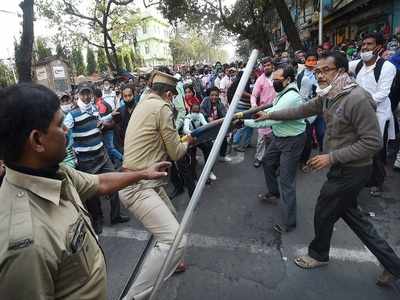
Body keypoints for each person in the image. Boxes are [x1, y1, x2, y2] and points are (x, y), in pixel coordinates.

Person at [0, 83, 171, 300]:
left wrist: (144, 173)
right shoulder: (26, 245)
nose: (66, 131)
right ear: (37, 140)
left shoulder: (55, 172)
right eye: (60, 125)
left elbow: (100, 182)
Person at [255, 52, 400, 295]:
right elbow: (300, 110)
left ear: (342, 71)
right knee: (354, 218)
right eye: (317, 71)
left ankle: (319, 254)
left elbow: (373, 142)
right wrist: (269, 115)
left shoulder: (356, 99)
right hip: (342, 169)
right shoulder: (328, 96)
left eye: (325, 70)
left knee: (324, 211)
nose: (319, 75)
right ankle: (393, 265)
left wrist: (330, 157)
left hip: (353, 171)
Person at [119, 71, 195, 299]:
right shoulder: (162, 107)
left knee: (171, 222)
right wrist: (187, 141)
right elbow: (175, 152)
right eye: (173, 96)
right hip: (138, 186)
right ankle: (134, 297)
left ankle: (172, 261)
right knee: (174, 239)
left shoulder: (144, 103)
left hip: (143, 180)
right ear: (169, 94)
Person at [244, 65, 306, 233]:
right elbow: (272, 111)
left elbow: (273, 119)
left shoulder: (291, 97)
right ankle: (273, 192)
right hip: (279, 137)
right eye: (273, 80)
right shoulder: (283, 93)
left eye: (277, 80)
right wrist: (256, 114)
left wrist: (244, 123)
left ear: (288, 80)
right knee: (268, 162)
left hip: (291, 141)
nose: (274, 83)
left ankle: (289, 222)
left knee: (287, 181)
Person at [64, 83, 129, 234]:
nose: (86, 97)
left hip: (102, 154)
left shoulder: (93, 109)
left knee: (114, 183)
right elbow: (65, 134)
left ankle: (115, 215)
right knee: (92, 193)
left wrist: (107, 118)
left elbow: (98, 121)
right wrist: (70, 153)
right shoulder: (71, 115)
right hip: (86, 161)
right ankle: (97, 219)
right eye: (83, 94)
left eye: (89, 94)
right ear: (77, 96)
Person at [349, 32, 397, 197]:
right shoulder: (358, 65)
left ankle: (378, 181)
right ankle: (365, 178)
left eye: (369, 44)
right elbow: (340, 65)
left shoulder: (387, 67)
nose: (365, 47)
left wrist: (358, 103)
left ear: (379, 47)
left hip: (377, 114)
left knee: (375, 149)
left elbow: (383, 93)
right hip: (359, 113)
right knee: (359, 145)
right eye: (363, 45)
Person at [250, 57, 276, 168]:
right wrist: (255, 107)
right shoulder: (260, 79)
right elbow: (254, 95)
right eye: (264, 66)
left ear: (272, 66)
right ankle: (259, 157)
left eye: (268, 65)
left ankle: (273, 159)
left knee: (275, 137)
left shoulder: (277, 77)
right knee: (261, 138)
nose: (266, 67)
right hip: (263, 112)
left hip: (277, 110)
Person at [297, 51, 319, 173]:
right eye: (309, 60)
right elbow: (299, 91)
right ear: (305, 62)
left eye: (313, 59)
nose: (311, 62)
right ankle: (303, 161)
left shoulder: (320, 73)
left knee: (321, 133)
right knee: (307, 136)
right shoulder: (300, 75)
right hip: (305, 109)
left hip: (319, 107)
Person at [183, 104, 216, 181]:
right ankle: (193, 176)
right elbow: (186, 129)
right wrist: (194, 133)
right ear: (190, 111)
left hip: (199, 137)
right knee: (192, 157)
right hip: (190, 138)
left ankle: (209, 171)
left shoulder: (200, 115)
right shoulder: (187, 118)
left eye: (197, 111)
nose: (196, 113)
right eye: (194, 111)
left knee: (208, 150)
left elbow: (205, 125)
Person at [201, 87, 232, 162]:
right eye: (212, 95)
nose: (214, 97)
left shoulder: (220, 103)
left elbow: (224, 114)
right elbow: (201, 109)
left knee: (223, 138)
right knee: (208, 145)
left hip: (217, 124)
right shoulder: (205, 100)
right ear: (209, 95)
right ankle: (209, 161)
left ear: (218, 96)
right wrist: (207, 117)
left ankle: (222, 156)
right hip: (206, 125)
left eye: (216, 95)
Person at [94, 88, 123, 164]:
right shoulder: (101, 103)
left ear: (94, 96)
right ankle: (113, 163)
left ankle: (123, 159)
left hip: (107, 129)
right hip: (108, 128)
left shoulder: (100, 104)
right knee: (109, 148)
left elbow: (102, 120)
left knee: (110, 148)